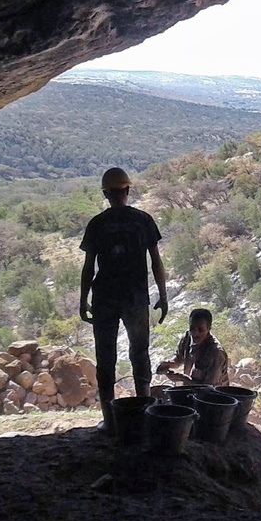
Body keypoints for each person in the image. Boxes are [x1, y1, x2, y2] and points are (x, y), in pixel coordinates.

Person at [79, 167, 168, 433]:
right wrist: (163, 296)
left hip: (105, 298)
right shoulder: (143, 220)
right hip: (135, 298)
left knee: (105, 357)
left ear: (105, 194)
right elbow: (156, 261)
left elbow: (88, 267)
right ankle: (143, 415)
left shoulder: (97, 224)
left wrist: (83, 300)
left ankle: (110, 420)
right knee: (139, 354)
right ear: (128, 190)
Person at [156, 308, 230, 387]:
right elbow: (179, 359)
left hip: (213, 396)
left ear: (209, 328)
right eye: (192, 328)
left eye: (200, 329)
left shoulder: (216, 353)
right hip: (191, 391)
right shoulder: (188, 337)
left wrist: (183, 378)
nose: (195, 333)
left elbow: (208, 388)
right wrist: (168, 364)